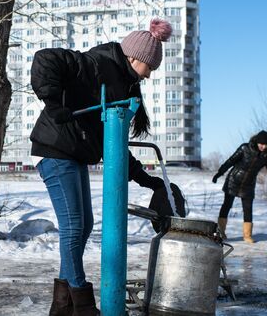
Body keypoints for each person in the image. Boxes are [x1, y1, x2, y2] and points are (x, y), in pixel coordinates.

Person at [30, 19, 179, 316]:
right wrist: (52, 102)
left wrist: (145, 179)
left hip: (71, 154)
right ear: (135, 58)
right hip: (56, 150)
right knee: (74, 227)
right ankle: (83, 306)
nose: (149, 76)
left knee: (82, 226)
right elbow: (46, 59)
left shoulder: (121, 82)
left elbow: (113, 143)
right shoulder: (98, 64)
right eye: (149, 68)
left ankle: (62, 307)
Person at [212, 130, 267, 243]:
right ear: (256, 142)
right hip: (234, 181)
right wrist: (219, 173)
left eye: (265, 145)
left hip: (248, 185)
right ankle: (221, 231)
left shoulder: (266, 156)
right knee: (227, 205)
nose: (263, 147)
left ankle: (247, 235)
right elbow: (230, 161)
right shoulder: (245, 148)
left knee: (248, 209)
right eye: (261, 144)